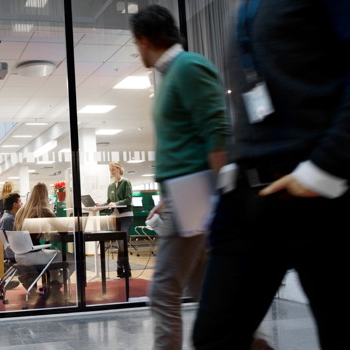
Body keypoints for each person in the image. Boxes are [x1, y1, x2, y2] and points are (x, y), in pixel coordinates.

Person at [193, 2, 350, 350]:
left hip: (321, 191)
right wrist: (231, 178)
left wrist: (326, 167)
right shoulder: (243, 7)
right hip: (249, 196)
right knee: (215, 336)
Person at [130, 5, 230, 350]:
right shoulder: (171, 75)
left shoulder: (189, 67)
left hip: (194, 194)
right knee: (201, 286)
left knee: (163, 291)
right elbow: (183, 144)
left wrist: (223, 198)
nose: (136, 50)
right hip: (182, 196)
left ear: (144, 40)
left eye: (135, 43)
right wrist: (165, 199)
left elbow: (216, 132)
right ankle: (251, 342)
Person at [14, 182, 75, 296]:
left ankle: (51, 284)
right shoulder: (43, 210)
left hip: (19, 255)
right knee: (74, 259)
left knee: (54, 256)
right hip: (32, 255)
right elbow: (63, 230)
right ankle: (57, 283)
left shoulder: (21, 211)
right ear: (45, 196)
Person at [100, 161, 133, 278]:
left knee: (122, 243)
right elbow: (109, 201)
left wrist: (116, 203)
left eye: (113, 169)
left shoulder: (126, 182)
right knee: (120, 244)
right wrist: (102, 205)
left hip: (126, 216)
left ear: (119, 169)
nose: (111, 172)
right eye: (110, 170)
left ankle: (124, 268)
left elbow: (128, 200)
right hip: (116, 217)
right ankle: (122, 268)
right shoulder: (110, 186)